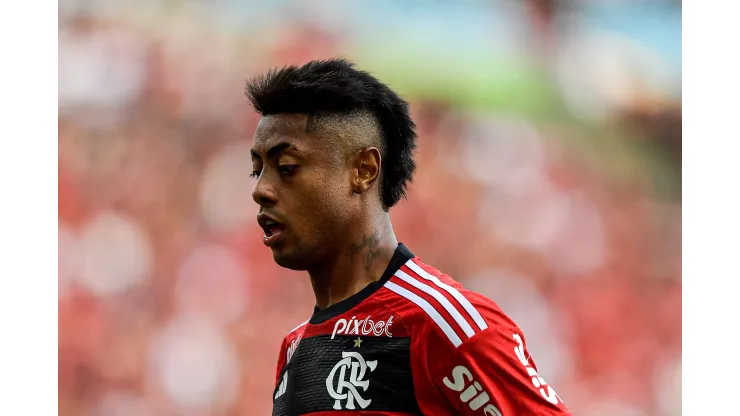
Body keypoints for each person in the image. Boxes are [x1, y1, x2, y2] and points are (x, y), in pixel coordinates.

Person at [246, 58, 570, 415]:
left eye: (287, 168)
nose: (261, 190)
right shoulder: (295, 347)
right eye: (257, 171)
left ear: (363, 170)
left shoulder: (443, 323)